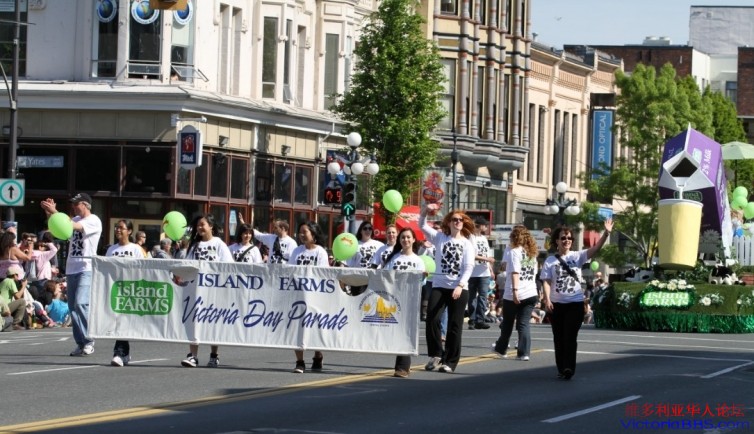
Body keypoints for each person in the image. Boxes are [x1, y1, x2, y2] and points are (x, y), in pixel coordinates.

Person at [540, 218, 613, 380]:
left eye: (569, 238)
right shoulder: (550, 261)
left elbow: (596, 248)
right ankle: (561, 368)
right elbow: (546, 281)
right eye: (563, 238)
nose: (566, 240)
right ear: (557, 241)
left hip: (575, 303)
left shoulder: (577, 256)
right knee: (559, 338)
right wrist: (547, 300)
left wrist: (606, 234)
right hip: (556, 305)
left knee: (570, 337)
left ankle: (569, 368)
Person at [41, 193, 102, 356]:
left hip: (86, 268)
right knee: (72, 307)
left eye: (77, 204)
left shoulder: (94, 220)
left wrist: (55, 212)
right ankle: (80, 343)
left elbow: (72, 226)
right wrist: (50, 215)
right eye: (73, 204)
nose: (74, 207)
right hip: (71, 268)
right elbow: (59, 231)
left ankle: (89, 340)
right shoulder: (74, 219)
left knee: (81, 303)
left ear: (86, 205)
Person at [419, 203, 475, 374]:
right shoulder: (440, 237)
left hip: (459, 288)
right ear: (449, 222)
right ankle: (436, 354)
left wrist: (460, 286)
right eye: (454, 219)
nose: (457, 222)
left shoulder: (466, 243)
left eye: (460, 220)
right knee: (432, 318)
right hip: (439, 285)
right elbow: (421, 225)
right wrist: (425, 210)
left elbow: (469, 267)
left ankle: (450, 362)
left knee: (454, 325)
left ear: (463, 223)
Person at [181, 214, 233, 368]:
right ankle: (193, 356)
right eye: (198, 225)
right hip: (196, 290)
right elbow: (187, 266)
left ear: (211, 226)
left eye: (202, 224)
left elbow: (229, 266)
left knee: (213, 322)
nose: (199, 227)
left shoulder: (219, 244)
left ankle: (214, 355)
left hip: (214, 291)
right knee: (194, 321)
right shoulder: (194, 246)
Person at [287, 221, 330, 373]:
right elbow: (290, 271)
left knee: (315, 327)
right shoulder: (296, 251)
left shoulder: (320, 252)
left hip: (315, 296)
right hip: (297, 295)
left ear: (313, 233)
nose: (302, 235)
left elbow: (323, 275)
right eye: (300, 232)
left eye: (305, 232)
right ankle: (300, 361)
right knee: (296, 328)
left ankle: (318, 355)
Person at [382, 227, 425, 378]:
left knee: (406, 332)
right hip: (394, 300)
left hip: (411, 300)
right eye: (403, 237)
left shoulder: (418, 261)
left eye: (408, 237)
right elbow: (385, 277)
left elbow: (422, 283)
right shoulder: (393, 259)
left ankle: (402, 367)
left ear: (413, 240)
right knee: (396, 331)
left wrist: (423, 277)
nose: (405, 240)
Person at [493, 226, 539, 361]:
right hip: (531, 292)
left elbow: (515, 273)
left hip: (515, 291)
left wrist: (515, 291)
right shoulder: (532, 253)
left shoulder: (514, 251)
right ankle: (524, 353)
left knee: (507, 322)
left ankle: (501, 349)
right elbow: (535, 273)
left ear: (514, 237)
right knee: (524, 323)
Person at [106, 219, 147, 367]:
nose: (118, 230)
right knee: (118, 321)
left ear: (129, 231)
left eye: (121, 228)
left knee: (124, 321)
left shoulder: (136, 249)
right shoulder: (111, 250)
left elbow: (145, 268)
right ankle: (123, 353)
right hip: (115, 289)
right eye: (116, 227)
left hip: (131, 290)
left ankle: (119, 353)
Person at [468, 218, 495, 330]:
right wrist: (487, 259)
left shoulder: (484, 238)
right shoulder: (471, 237)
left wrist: (491, 269)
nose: (486, 227)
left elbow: (487, 254)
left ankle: (480, 319)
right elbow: (472, 255)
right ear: (480, 226)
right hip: (473, 271)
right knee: (472, 297)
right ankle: (472, 319)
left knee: (483, 296)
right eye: (485, 225)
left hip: (484, 271)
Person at [0, 265, 27, 330]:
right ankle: (15, 323)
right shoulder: (10, 281)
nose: (18, 277)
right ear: (14, 275)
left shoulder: (3, 281)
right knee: (22, 301)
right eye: (17, 275)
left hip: (2, 307)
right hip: (5, 307)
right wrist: (24, 286)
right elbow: (18, 297)